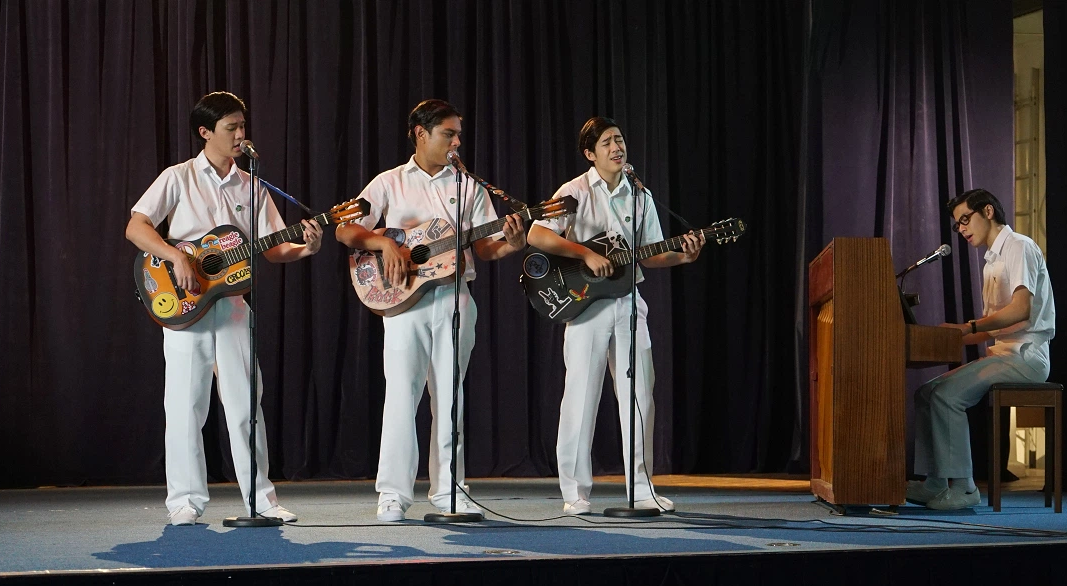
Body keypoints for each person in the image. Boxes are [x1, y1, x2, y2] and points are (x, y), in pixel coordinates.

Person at [126, 91, 324, 526]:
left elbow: (273, 248)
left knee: (245, 404)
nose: (240, 134)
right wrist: (175, 255)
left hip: (233, 305)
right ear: (205, 132)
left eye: (242, 126)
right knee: (185, 405)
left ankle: (262, 500)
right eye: (231, 127)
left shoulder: (253, 185)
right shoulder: (177, 177)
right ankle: (185, 501)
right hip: (184, 305)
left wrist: (304, 247)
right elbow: (136, 226)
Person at [335, 99, 526, 522]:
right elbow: (345, 228)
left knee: (450, 396)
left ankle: (450, 492)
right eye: (449, 134)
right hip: (403, 301)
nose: (458, 142)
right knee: (402, 395)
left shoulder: (468, 186)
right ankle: (393, 494)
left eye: (459, 134)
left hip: (455, 297)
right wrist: (385, 243)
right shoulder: (388, 182)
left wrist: (512, 242)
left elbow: (485, 247)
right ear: (421, 134)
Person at [526, 117, 705, 516]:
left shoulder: (640, 194)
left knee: (640, 394)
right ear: (590, 153)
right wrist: (586, 253)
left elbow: (653, 251)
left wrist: (684, 255)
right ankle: (575, 492)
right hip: (585, 304)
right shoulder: (573, 191)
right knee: (581, 397)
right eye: (607, 142)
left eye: (620, 139)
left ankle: (642, 489)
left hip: (628, 301)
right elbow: (537, 234)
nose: (616, 147)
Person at [907, 188, 1055, 510]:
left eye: (964, 219)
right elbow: (993, 326)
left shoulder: (1019, 246)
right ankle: (935, 482)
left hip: (1027, 355)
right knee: (926, 393)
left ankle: (964, 488)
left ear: (987, 211)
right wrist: (950, 335)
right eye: (957, 224)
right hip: (1005, 352)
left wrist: (968, 328)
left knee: (947, 396)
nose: (961, 229)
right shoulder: (992, 262)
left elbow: (1020, 311)